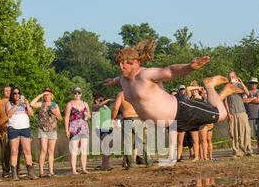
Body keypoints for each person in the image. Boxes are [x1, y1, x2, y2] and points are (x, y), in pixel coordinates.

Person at [103, 39, 243, 153]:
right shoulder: (123, 80)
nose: (121, 67)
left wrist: (189, 67)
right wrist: (111, 81)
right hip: (173, 124)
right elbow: (118, 79)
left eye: (124, 64)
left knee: (222, 114)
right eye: (119, 64)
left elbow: (170, 71)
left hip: (182, 110)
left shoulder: (146, 75)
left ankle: (210, 85)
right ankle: (223, 92)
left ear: (135, 62)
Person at [111, 91, 153, 169]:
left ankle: (131, 164)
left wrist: (112, 119)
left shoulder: (121, 94)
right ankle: (149, 161)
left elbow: (116, 108)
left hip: (127, 119)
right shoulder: (136, 92)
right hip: (138, 119)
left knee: (128, 144)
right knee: (143, 142)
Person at [5, 87, 38, 180]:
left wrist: (27, 104)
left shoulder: (24, 104)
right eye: (15, 93)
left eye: (18, 93)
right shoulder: (9, 103)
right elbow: (9, 114)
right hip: (13, 129)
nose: (17, 95)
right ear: (12, 95)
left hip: (25, 128)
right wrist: (16, 105)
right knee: (14, 151)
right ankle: (14, 174)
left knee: (27, 151)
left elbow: (31, 114)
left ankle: (30, 173)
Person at [30, 88, 63, 178]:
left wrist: (55, 113)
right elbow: (31, 104)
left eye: (48, 94)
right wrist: (40, 95)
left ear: (51, 96)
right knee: (43, 150)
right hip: (42, 129)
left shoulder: (55, 105)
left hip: (52, 130)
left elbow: (60, 118)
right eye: (45, 95)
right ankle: (41, 172)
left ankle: (51, 172)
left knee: (51, 151)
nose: (46, 96)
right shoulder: (41, 104)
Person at [0, 85, 23, 178]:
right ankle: (6, 171)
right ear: (3, 92)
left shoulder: (16, 102)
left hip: (17, 129)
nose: (8, 92)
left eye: (9, 91)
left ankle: (17, 170)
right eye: (5, 91)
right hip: (5, 131)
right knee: (5, 152)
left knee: (18, 151)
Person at [224, 71, 253, 157]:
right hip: (233, 113)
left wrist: (241, 82)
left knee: (246, 131)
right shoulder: (227, 87)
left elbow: (248, 93)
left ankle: (247, 150)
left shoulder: (239, 86)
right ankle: (237, 151)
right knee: (234, 133)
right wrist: (228, 113)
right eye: (229, 77)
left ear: (236, 77)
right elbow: (225, 101)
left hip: (242, 112)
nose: (231, 78)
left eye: (232, 76)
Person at [65, 87, 91, 175]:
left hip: (84, 128)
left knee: (83, 149)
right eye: (75, 93)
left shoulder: (85, 103)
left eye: (78, 93)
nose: (77, 94)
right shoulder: (70, 104)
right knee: (74, 149)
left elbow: (89, 115)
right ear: (72, 94)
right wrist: (66, 130)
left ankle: (84, 168)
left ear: (81, 94)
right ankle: (74, 170)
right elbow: (66, 117)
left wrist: (87, 116)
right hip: (73, 128)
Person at [92, 92, 114, 171]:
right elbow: (98, 106)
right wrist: (107, 100)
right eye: (100, 100)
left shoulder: (106, 107)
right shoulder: (96, 107)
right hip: (101, 128)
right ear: (96, 101)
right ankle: (105, 165)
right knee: (107, 144)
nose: (102, 101)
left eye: (103, 99)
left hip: (109, 128)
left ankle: (105, 165)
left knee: (109, 146)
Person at [244, 77, 259, 155]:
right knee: (248, 135)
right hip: (248, 116)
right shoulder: (246, 92)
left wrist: (249, 100)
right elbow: (244, 101)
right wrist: (253, 98)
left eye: (255, 83)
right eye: (252, 83)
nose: (254, 84)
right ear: (250, 84)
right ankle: (249, 150)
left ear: (257, 84)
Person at [186, 82, 206, 160]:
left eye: (195, 90)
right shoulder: (190, 97)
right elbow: (187, 88)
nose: (194, 91)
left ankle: (204, 156)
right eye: (193, 90)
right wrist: (196, 87)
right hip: (193, 121)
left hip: (202, 121)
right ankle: (196, 157)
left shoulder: (202, 98)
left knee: (203, 140)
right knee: (195, 140)